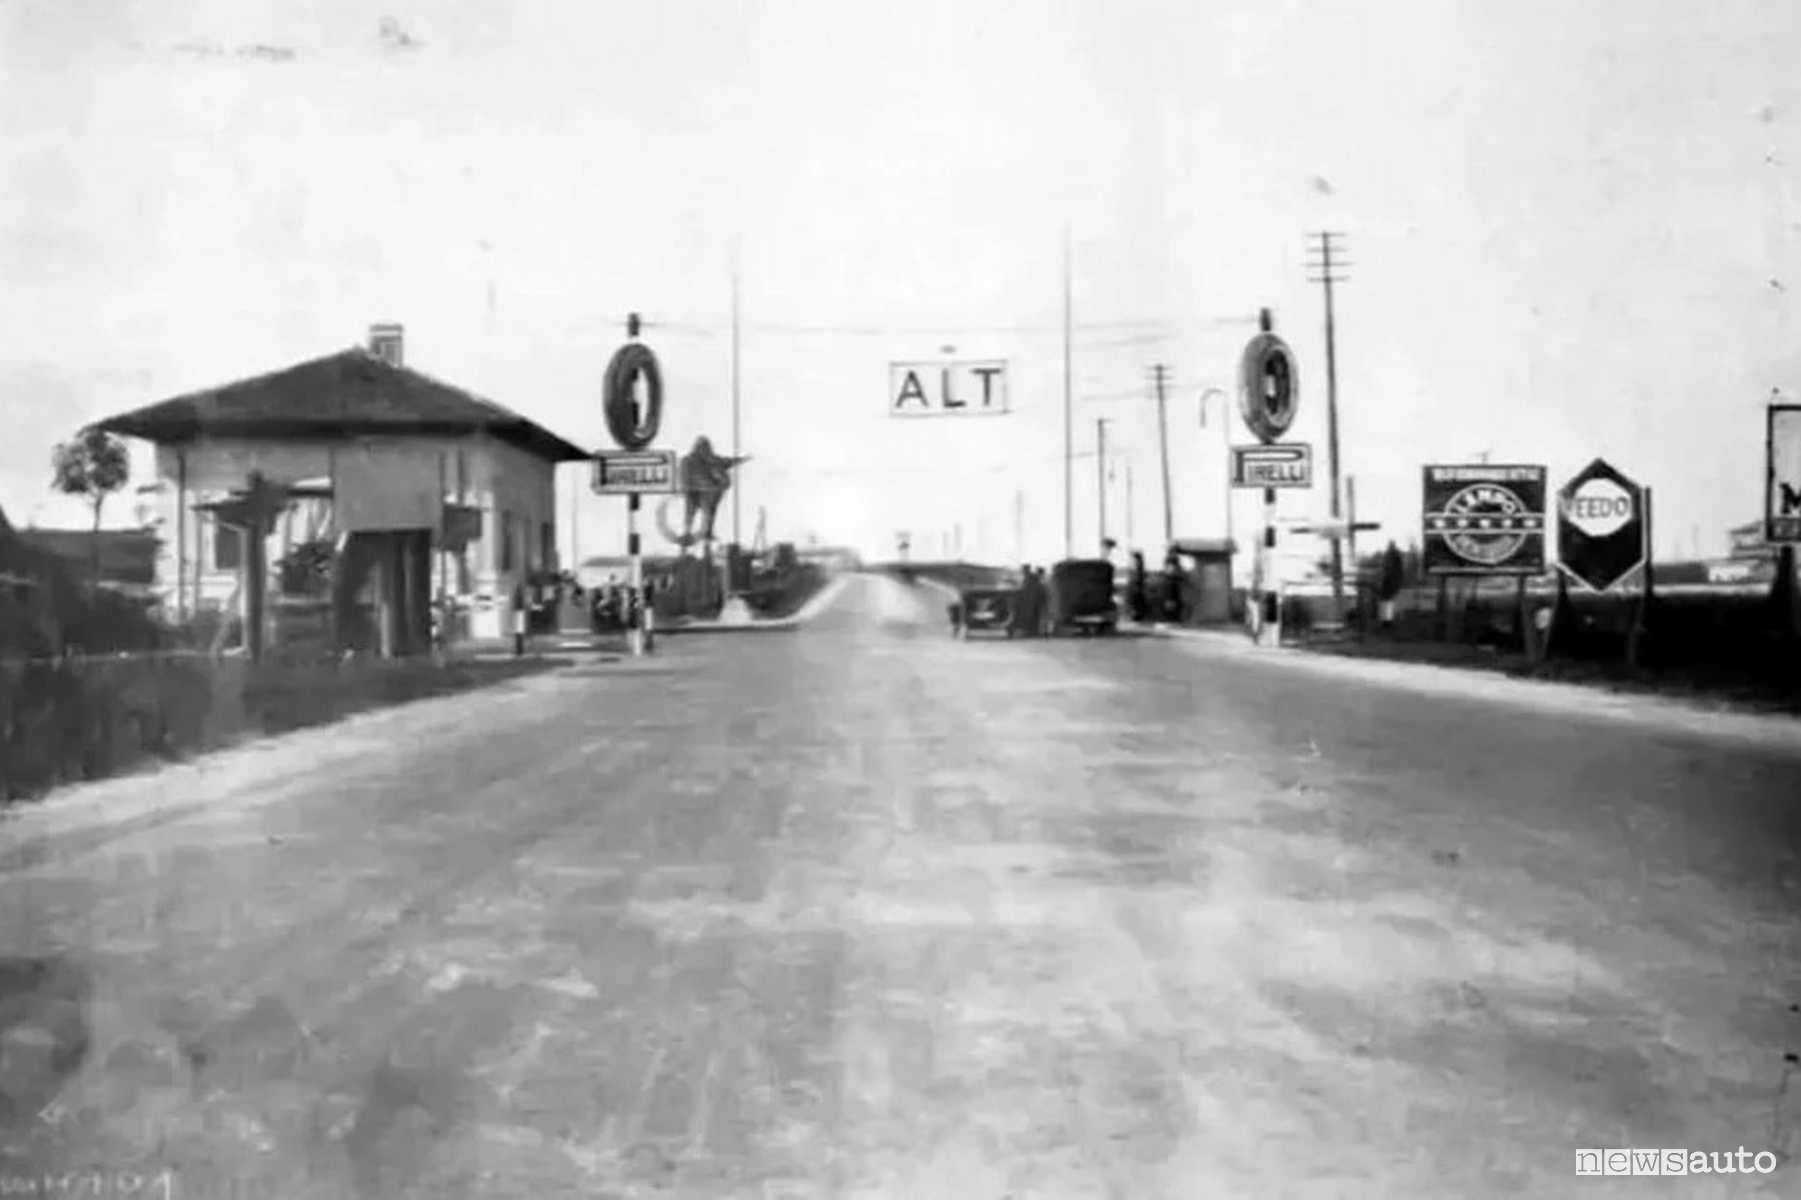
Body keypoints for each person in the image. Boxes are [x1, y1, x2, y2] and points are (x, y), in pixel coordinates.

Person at [1128, 551, 1149, 624]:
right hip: (1137, 592)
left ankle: (1137, 615)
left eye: (1135, 560)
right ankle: (1137, 615)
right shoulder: (1137, 570)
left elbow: (1138, 582)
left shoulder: (1139, 570)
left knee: (1137, 605)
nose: (1134, 562)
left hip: (1138, 592)